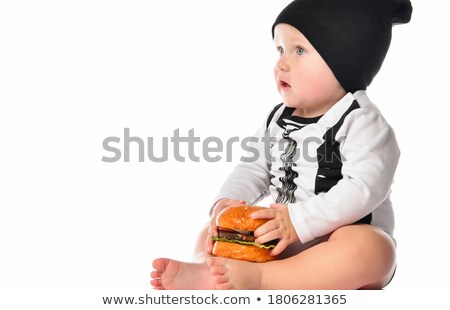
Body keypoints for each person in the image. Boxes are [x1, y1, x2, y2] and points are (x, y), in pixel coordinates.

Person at [151, 0, 412, 290]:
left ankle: (264, 279)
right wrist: (226, 204)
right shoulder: (277, 118)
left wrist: (298, 221)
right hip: (280, 239)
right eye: (280, 50)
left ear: (344, 59)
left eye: (299, 50)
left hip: (339, 242)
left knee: (375, 250)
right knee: (211, 229)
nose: (281, 63)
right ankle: (206, 270)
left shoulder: (361, 121)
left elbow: (364, 189)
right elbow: (253, 168)